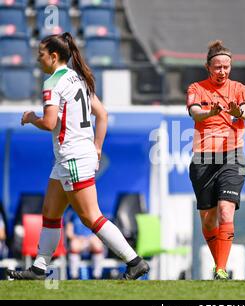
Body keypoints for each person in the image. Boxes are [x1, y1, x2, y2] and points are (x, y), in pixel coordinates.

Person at [7, 32, 149, 280]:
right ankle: (40, 268)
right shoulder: (77, 79)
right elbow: (102, 114)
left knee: (90, 217)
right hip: (69, 158)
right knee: (51, 212)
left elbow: (50, 123)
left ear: (53, 56)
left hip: (72, 158)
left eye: (40, 54)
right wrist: (97, 147)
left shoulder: (53, 83)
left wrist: (30, 118)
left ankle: (134, 261)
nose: (37, 59)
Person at [187, 40, 245, 280]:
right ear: (208, 67)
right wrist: (210, 113)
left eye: (226, 67)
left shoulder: (239, 88)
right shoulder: (196, 88)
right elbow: (195, 112)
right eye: (217, 67)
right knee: (208, 219)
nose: (222, 71)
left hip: (232, 156)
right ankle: (219, 263)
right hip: (203, 159)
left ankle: (221, 269)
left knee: (226, 210)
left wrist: (237, 112)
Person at [66, 209, 105, 279]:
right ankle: (74, 276)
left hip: (91, 241)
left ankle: (97, 275)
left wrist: (94, 237)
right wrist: (77, 238)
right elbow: (69, 233)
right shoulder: (72, 215)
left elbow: (101, 231)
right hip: (79, 242)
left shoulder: (95, 213)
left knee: (97, 244)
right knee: (74, 244)